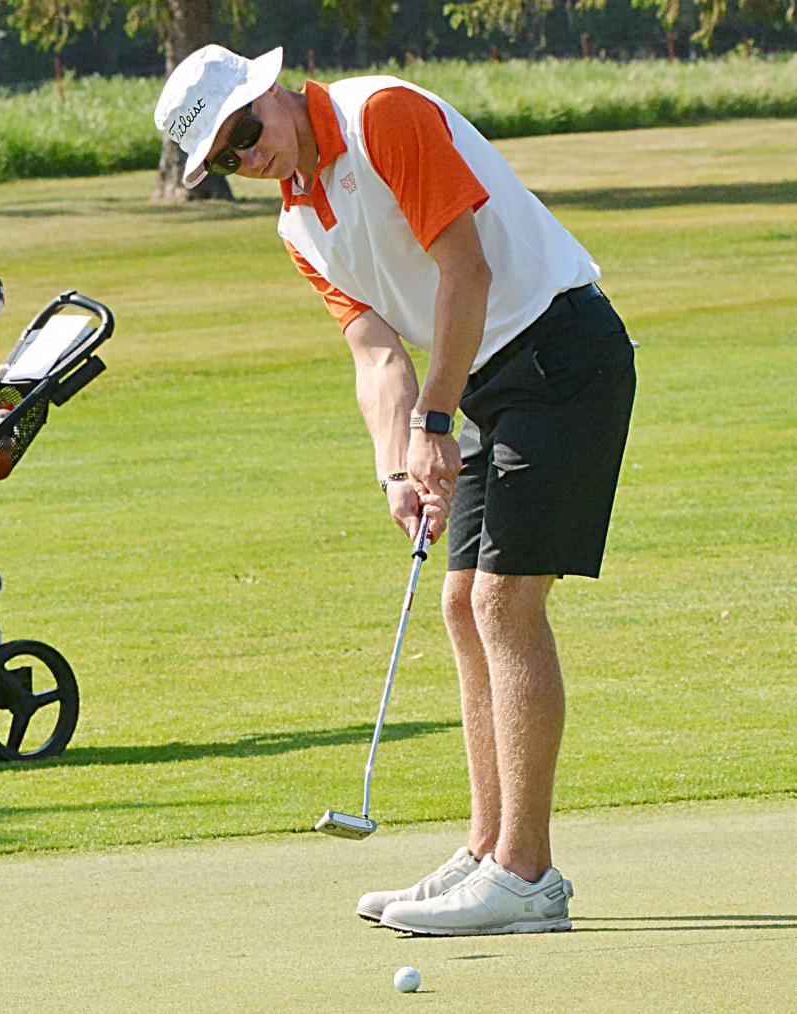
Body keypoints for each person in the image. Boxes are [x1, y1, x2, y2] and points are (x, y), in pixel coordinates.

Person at [154, 46, 635, 936]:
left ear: (272, 94)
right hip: (483, 384)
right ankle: (489, 849)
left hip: (560, 351)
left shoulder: (383, 115)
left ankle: (527, 876)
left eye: (246, 133)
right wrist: (396, 464)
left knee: (504, 603)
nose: (246, 159)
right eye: (224, 158)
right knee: (461, 604)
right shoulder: (299, 229)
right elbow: (376, 355)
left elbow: (468, 270)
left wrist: (437, 421)